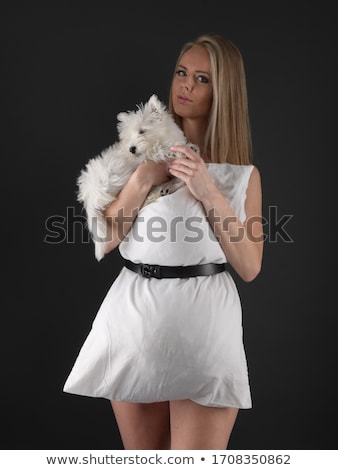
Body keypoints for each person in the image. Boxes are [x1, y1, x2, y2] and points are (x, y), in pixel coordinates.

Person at [63, 33, 263, 450]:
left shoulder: (241, 175)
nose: (185, 85)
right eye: (181, 73)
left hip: (204, 324)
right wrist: (140, 180)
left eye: (202, 79)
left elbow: (249, 266)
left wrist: (207, 189)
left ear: (223, 91)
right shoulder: (134, 155)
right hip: (134, 318)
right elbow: (109, 238)